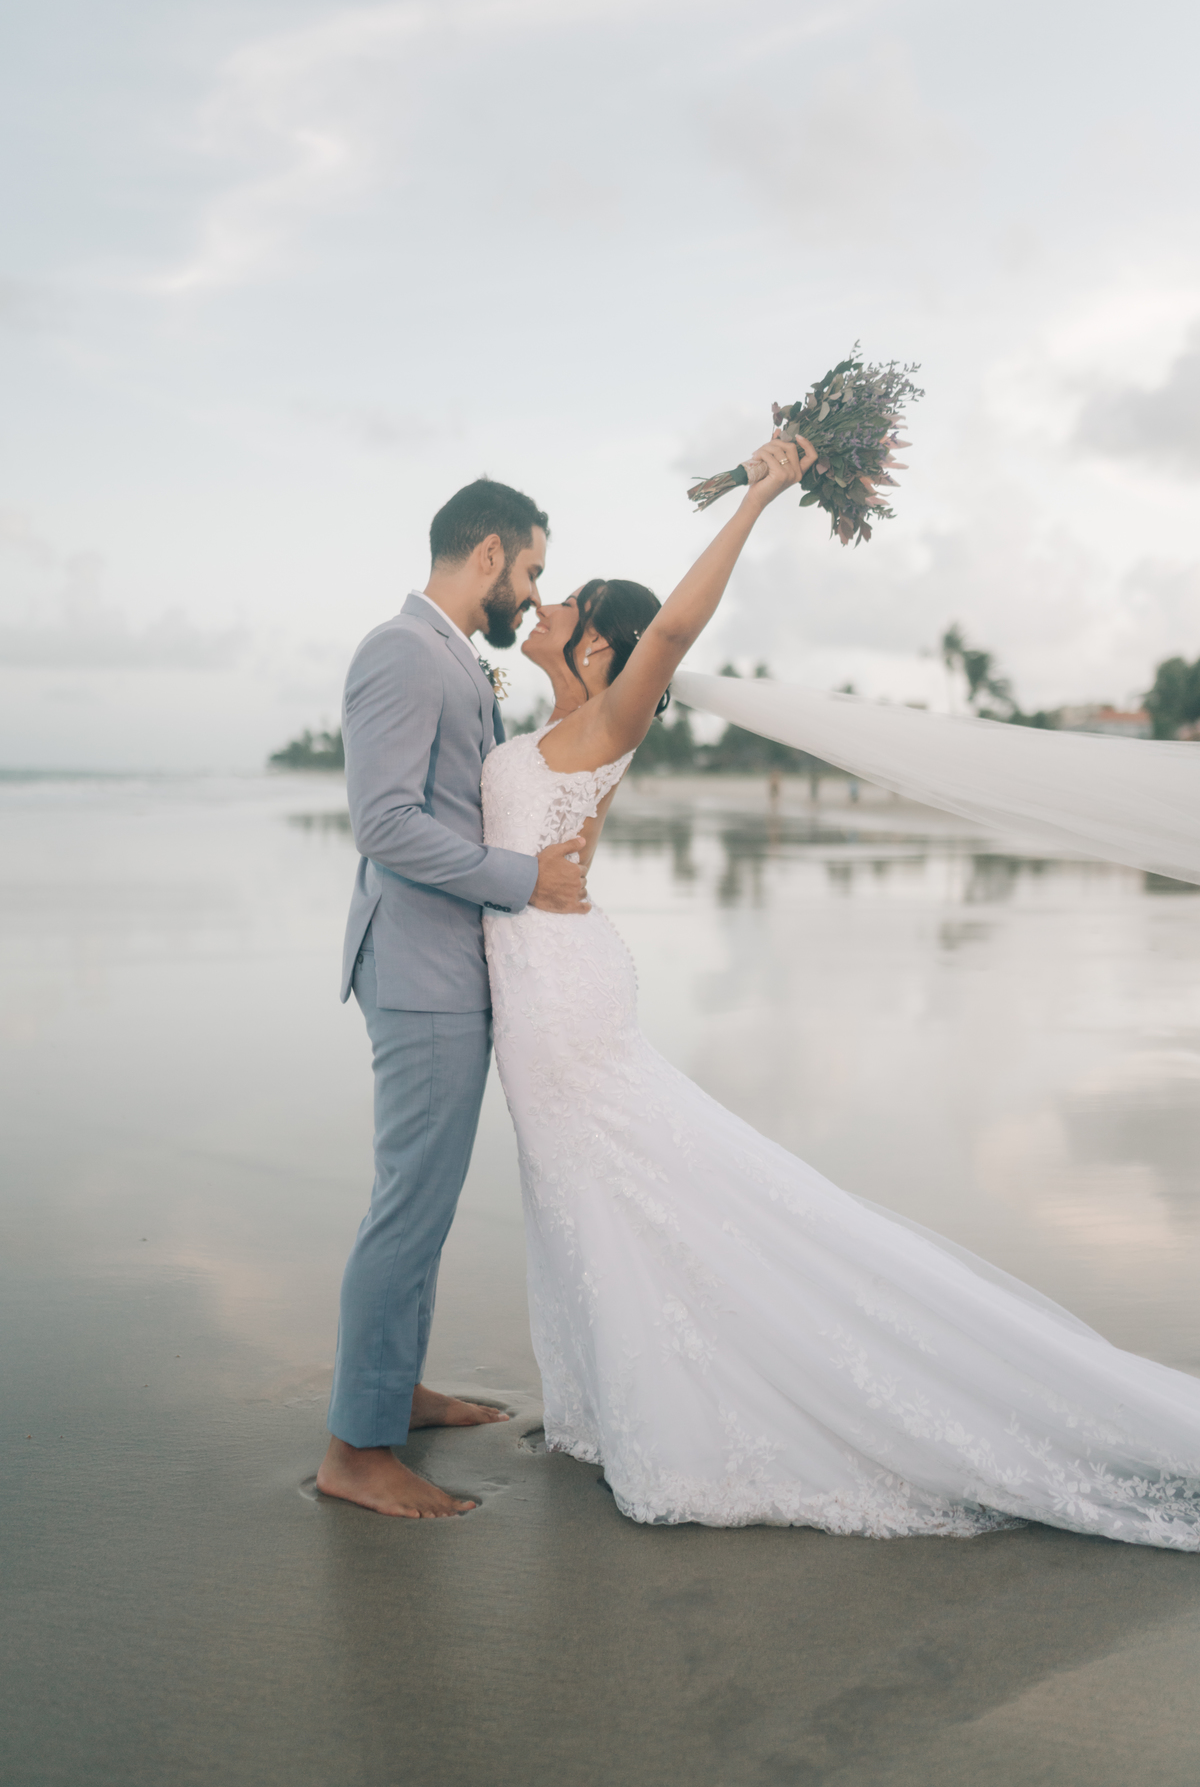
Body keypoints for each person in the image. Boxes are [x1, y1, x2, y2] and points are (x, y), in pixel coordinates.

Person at [480, 433, 1200, 1544]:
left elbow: (673, 626)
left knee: (635, 1194)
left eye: (565, 600)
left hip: (567, 1007)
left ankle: (685, 1419)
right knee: (597, 1202)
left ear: (602, 647)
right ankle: (618, 1402)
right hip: (543, 995)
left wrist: (763, 492)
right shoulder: (540, 733)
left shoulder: (605, 725)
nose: (546, 606)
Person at [317, 479, 590, 1519]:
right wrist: (528, 882)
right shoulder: (401, 651)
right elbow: (383, 823)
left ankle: (396, 1390)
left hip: (448, 965)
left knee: (421, 1206)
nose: (531, 590)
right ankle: (356, 1447)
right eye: (529, 569)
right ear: (486, 554)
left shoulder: (451, 658)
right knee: (407, 1207)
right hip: (422, 970)